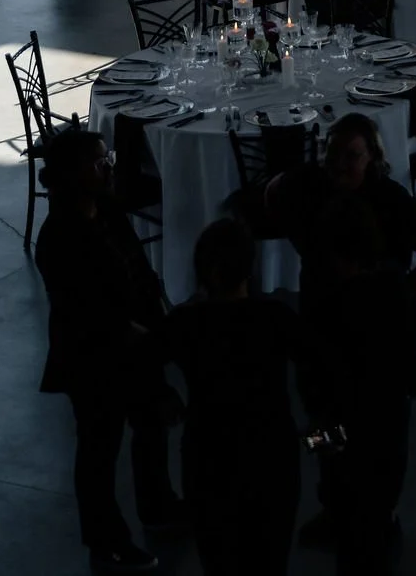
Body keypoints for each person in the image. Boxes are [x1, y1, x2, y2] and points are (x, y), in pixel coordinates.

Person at [268, 113, 416, 575]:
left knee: (373, 458)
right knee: (327, 439)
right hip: (328, 365)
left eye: (351, 157)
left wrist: (403, 292)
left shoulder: (388, 205)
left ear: (373, 159)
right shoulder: (314, 186)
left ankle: (375, 524)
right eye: (333, 155)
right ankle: (336, 511)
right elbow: (274, 192)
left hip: (370, 376)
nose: (338, 165)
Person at [33, 126, 182, 573]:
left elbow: (137, 270)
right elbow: (89, 315)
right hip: (94, 361)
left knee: (150, 427)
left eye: (107, 158)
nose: (108, 167)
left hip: (133, 347)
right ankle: (107, 542)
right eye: (99, 163)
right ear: (72, 174)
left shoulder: (106, 210)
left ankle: (158, 508)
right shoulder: (60, 237)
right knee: (99, 451)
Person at [164, 218, 319, 576]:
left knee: (218, 559)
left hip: (208, 456)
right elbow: (320, 369)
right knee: (270, 557)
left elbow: (139, 361)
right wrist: (318, 434)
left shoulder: (186, 323)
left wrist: (163, 396)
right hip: (273, 456)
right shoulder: (275, 317)